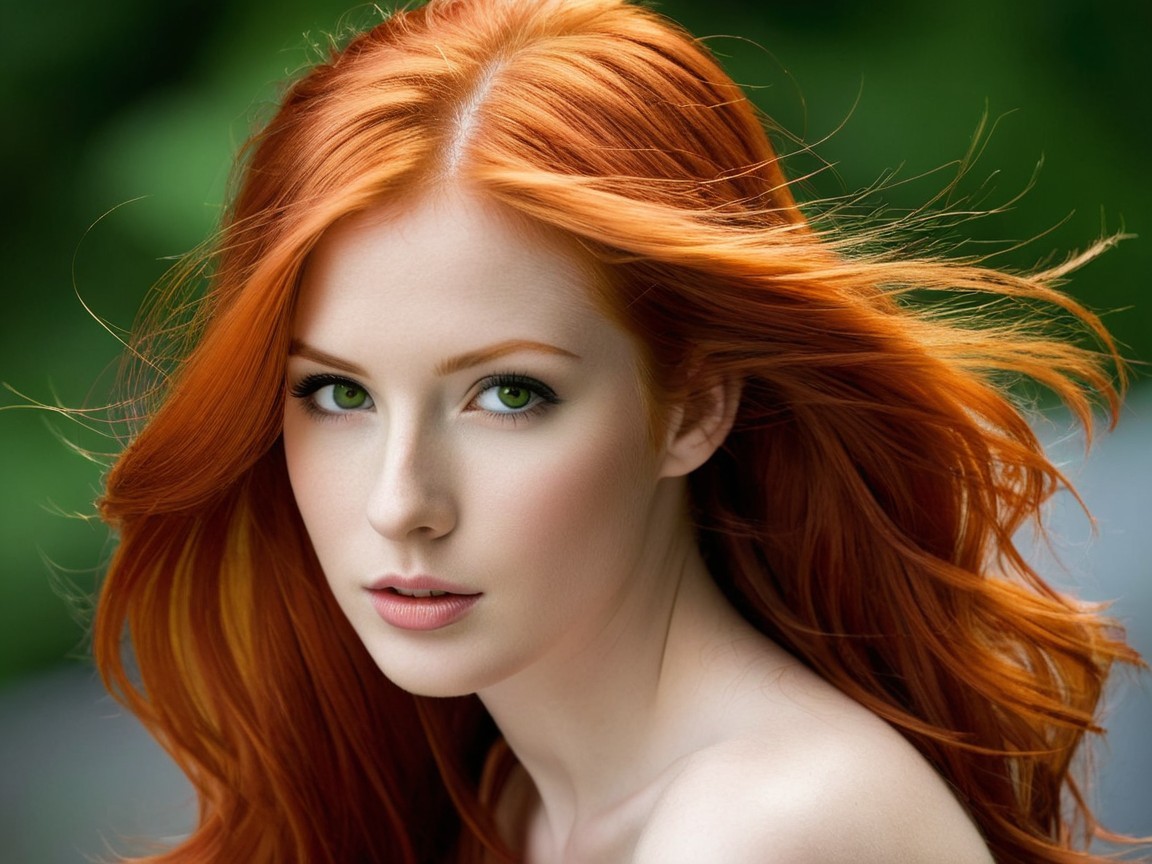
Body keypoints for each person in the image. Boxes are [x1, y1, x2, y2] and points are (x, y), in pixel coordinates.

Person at [92, 0, 1146, 861]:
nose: (400, 502)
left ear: (694, 406)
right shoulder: (503, 798)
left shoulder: (767, 828)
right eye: (338, 395)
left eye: (509, 394)